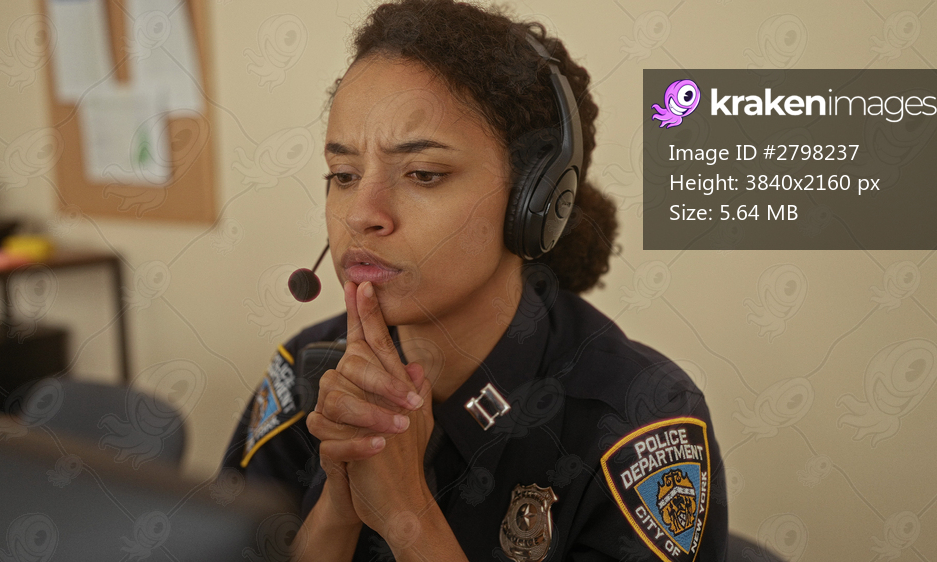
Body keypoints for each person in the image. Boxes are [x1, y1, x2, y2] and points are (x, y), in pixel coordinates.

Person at [221, 0, 728, 560]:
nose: (362, 214)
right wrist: (337, 506)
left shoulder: (643, 420)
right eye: (343, 175)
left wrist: (407, 515)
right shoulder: (305, 371)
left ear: (534, 204)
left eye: (423, 174)